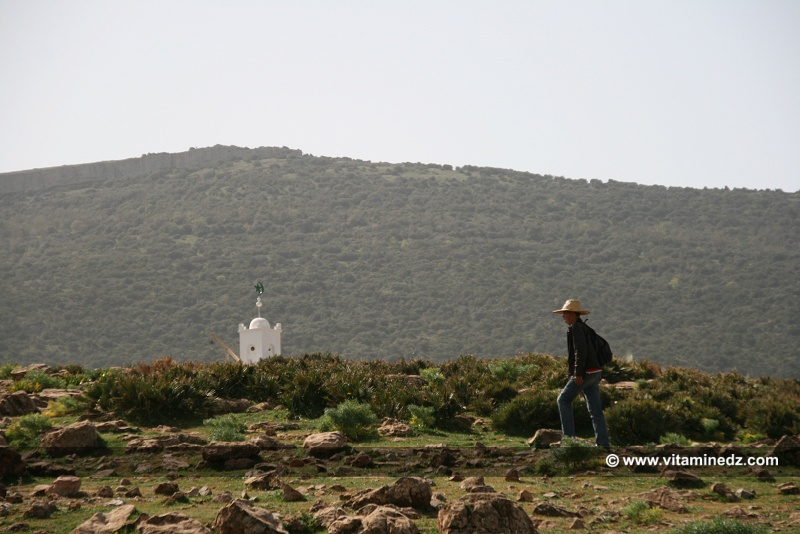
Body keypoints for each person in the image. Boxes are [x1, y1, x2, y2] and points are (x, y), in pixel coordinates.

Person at [552, 299, 610, 449]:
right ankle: (603, 444)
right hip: (595, 372)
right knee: (595, 409)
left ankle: (569, 442)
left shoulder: (577, 328)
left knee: (563, 400)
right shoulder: (584, 327)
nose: (563, 317)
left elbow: (580, 352)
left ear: (571, 314)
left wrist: (577, 374)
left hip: (586, 373)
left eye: (564, 314)